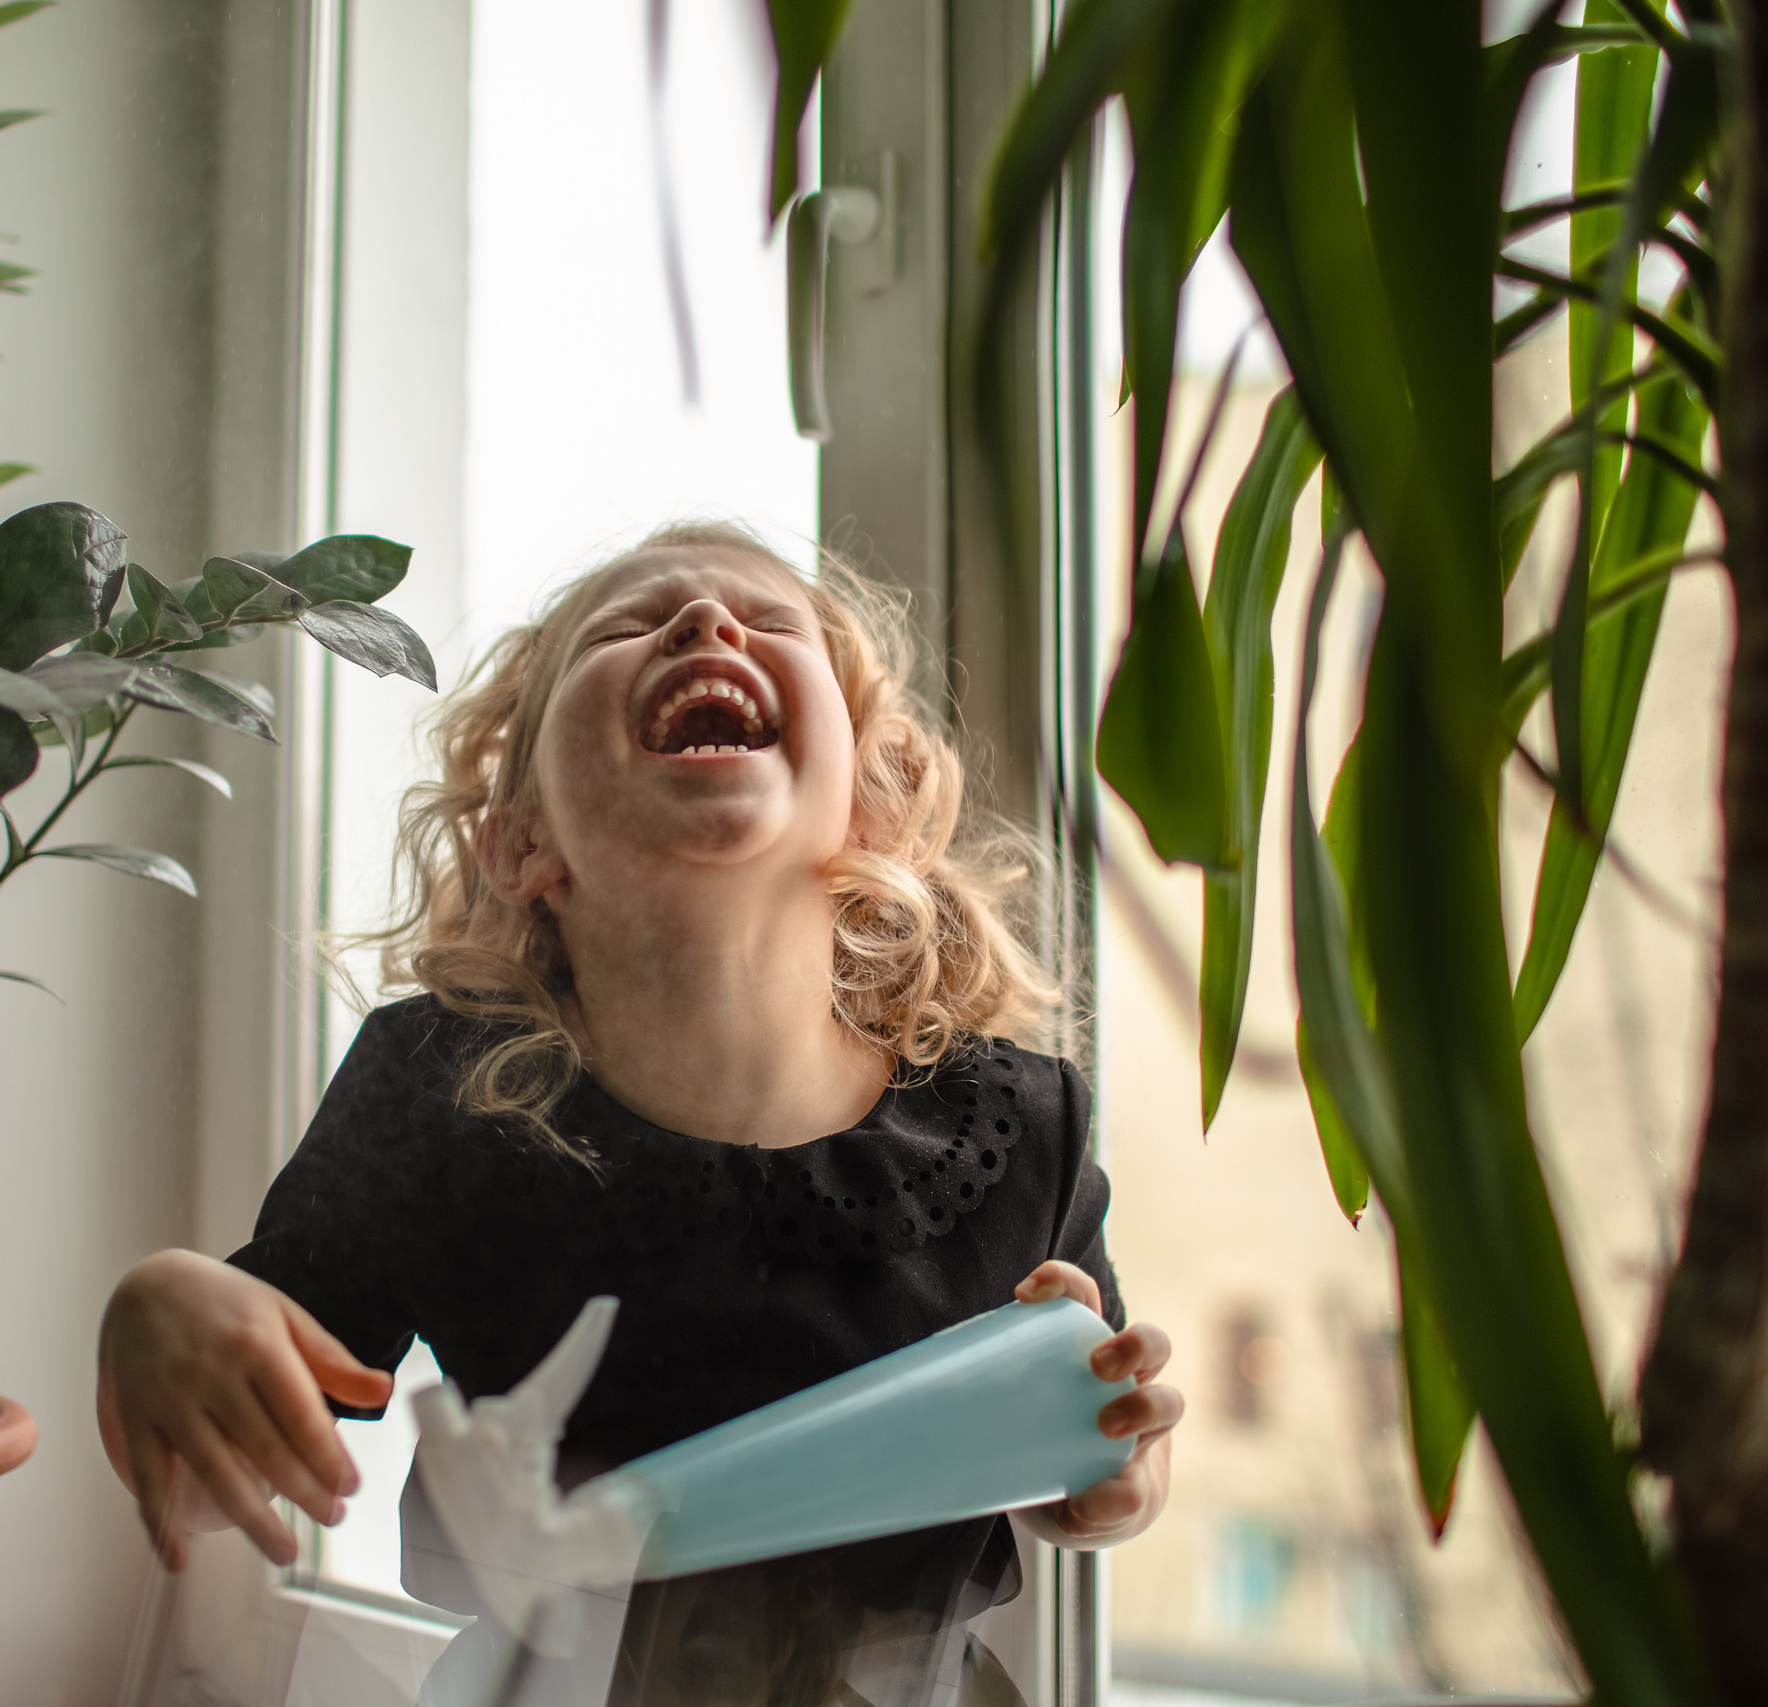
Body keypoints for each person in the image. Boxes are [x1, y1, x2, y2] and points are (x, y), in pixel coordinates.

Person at [98, 523, 1183, 1704]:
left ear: (869, 810)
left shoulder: (1023, 1131)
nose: (704, 625)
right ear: (523, 844)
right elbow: (216, 1483)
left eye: (768, 623)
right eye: (624, 628)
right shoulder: (435, 1092)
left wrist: (1114, 1471)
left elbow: (1101, 1466)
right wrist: (155, 1311)